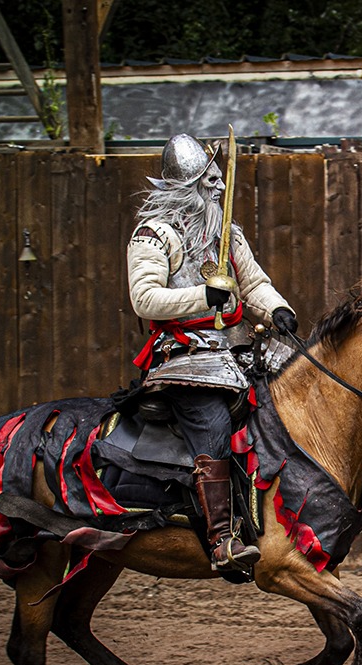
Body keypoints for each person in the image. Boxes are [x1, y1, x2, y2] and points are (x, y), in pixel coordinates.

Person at [127, 133, 298, 571]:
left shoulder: (227, 234)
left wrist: (278, 310)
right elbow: (144, 299)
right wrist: (206, 297)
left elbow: (254, 284)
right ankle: (223, 539)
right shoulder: (152, 236)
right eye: (210, 180)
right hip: (186, 359)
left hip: (237, 350)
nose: (221, 187)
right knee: (213, 424)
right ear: (185, 185)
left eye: (220, 178)